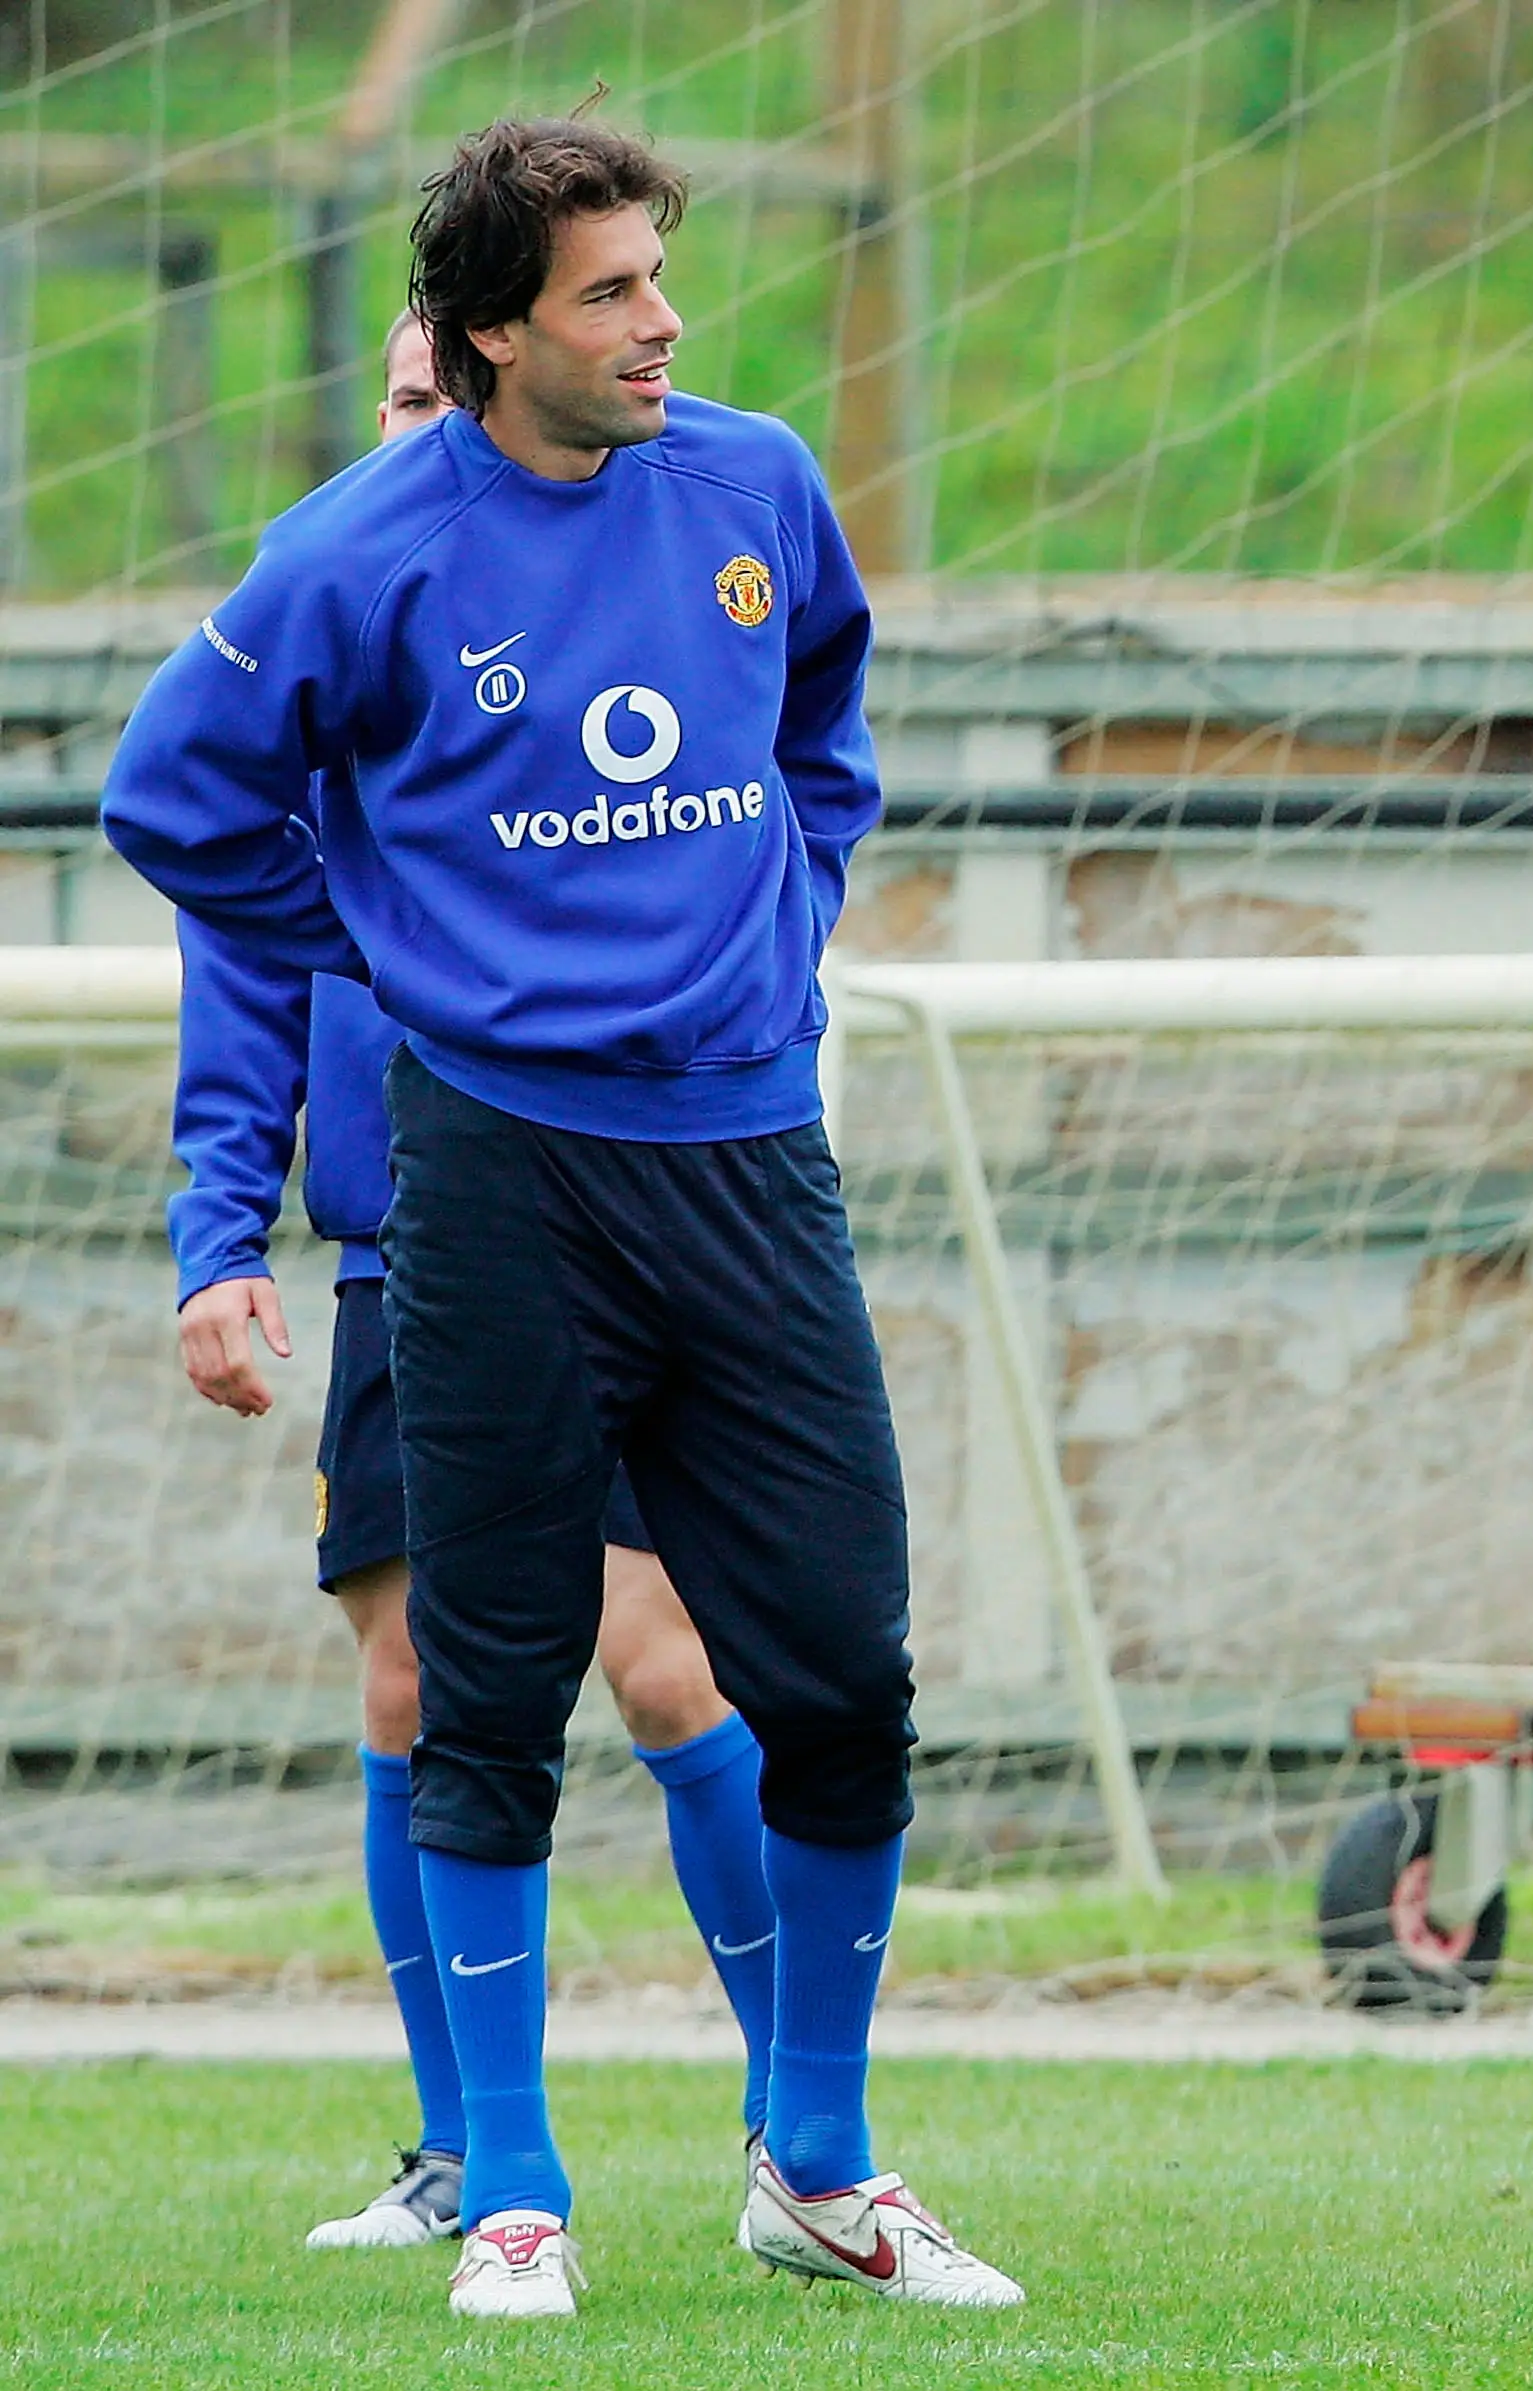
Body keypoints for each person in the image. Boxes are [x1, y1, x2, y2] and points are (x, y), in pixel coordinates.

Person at [104, 112, 1017, 2317]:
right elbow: (170, 796)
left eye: (663, 279)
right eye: (612, 291)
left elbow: (824, 720)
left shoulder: (758, 483)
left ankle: (817, 2160)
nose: (663, 324)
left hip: (745, 1160)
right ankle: (507, 2179)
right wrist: (397, 946)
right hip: (491, 1175)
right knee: (488, 1685)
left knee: (848, 1677)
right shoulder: (362, 547)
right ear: (494, 328)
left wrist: (782, 923)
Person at [168, 306, 784, 2253]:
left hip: (624, 1210)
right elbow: (237, 960)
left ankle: (807, 2131)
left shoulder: (648, 603)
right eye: (415, 400)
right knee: (414, 1678)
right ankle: (460, 2158)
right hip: (412, 1245)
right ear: (391, 411)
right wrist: (217, 1236)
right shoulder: (334, 618)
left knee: (673, 1660)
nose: (444, 436)